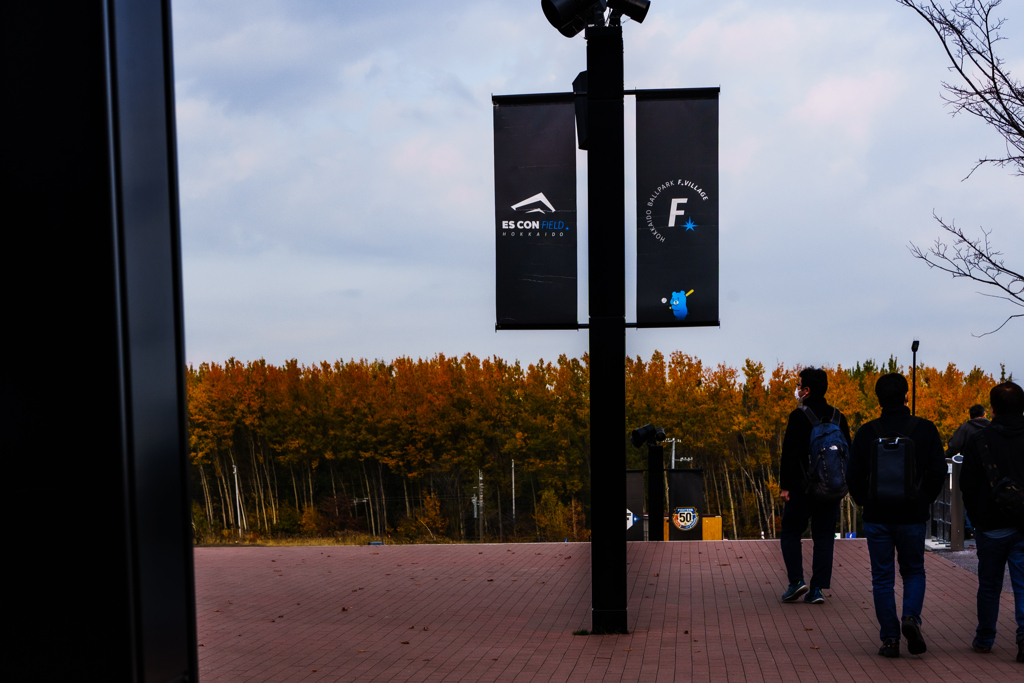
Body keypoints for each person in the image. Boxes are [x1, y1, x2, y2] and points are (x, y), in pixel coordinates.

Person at [848, 372, 945, 658]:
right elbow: (938, 471)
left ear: (878, 399)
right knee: (913, 570)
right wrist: (923, 499)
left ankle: (890, 640)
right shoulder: (925, 429)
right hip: (912, 516)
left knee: (882, 578)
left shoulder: (867, 432)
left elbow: (852, 475)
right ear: (906, 396)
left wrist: (865, 501)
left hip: (877, 516)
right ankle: (911, 618)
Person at [958, 381, 1024, 663]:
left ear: (992, 409)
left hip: (991, 525)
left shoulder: (979, 440)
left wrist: (977, 518)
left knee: (989, 584)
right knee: (1023, 584)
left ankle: (985, 638)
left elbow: (968, 486)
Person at [779, 367, 851, 605]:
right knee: (824, 538)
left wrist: (785, 487)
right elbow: (847, 454)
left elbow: (789, 454)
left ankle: (796, 582)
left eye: (799, 385)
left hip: (802, 487)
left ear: (807, 390)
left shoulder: (799, 416)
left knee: (790, 531)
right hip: (829, 489)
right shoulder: (839, 417)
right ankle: (817, 589)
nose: (797, 389)